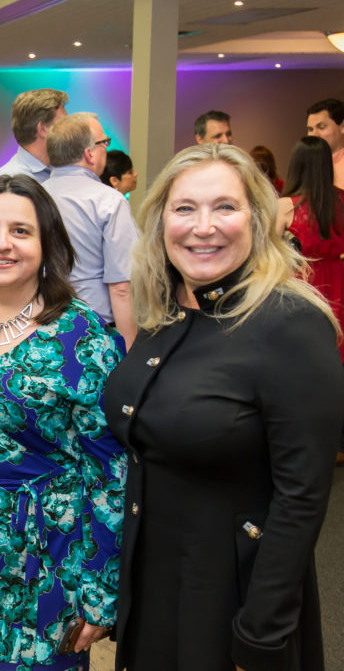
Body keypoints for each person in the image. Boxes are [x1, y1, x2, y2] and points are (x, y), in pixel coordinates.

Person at [105, 143, 344, 671]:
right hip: (155, 584)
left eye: (225, 207)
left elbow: (302, 499)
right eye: (184, 208)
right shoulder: (168, 314)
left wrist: (259, 636)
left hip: (233, 598)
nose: (203, 226)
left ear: (257, 221)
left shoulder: (290, 325)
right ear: (160, 220)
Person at [0, 173, 126, 670]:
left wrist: (100, 593)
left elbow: (112, 472)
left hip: (39, 558)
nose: (1, 243)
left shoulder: (83, 335)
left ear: (47, 242)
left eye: (21, 231)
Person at [43, 112, 138, 347]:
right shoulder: (109, 202)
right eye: (104, 142)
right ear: (89, 154)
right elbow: (121, 287)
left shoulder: (31, 197)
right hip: (94, 330)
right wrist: (129, 350)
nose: (106, 147)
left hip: (39, 326)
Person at [277, 136, 344, 463]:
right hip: (340, 282)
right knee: (338, 358)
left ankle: (301, 439)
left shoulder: (288, 206)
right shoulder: (343, 202)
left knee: (300, 362)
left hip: (305, 285)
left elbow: (267, 251)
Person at [0, 89, 69, 183]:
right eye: (64, 122)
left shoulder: (62, 169)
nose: (71, 128)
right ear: (43, 129)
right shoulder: (9, 181)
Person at [305, 98, 344, 189]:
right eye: (310, 129)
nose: (314, 134)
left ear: (342, 127)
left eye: (321, 127)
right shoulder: (311, 164)